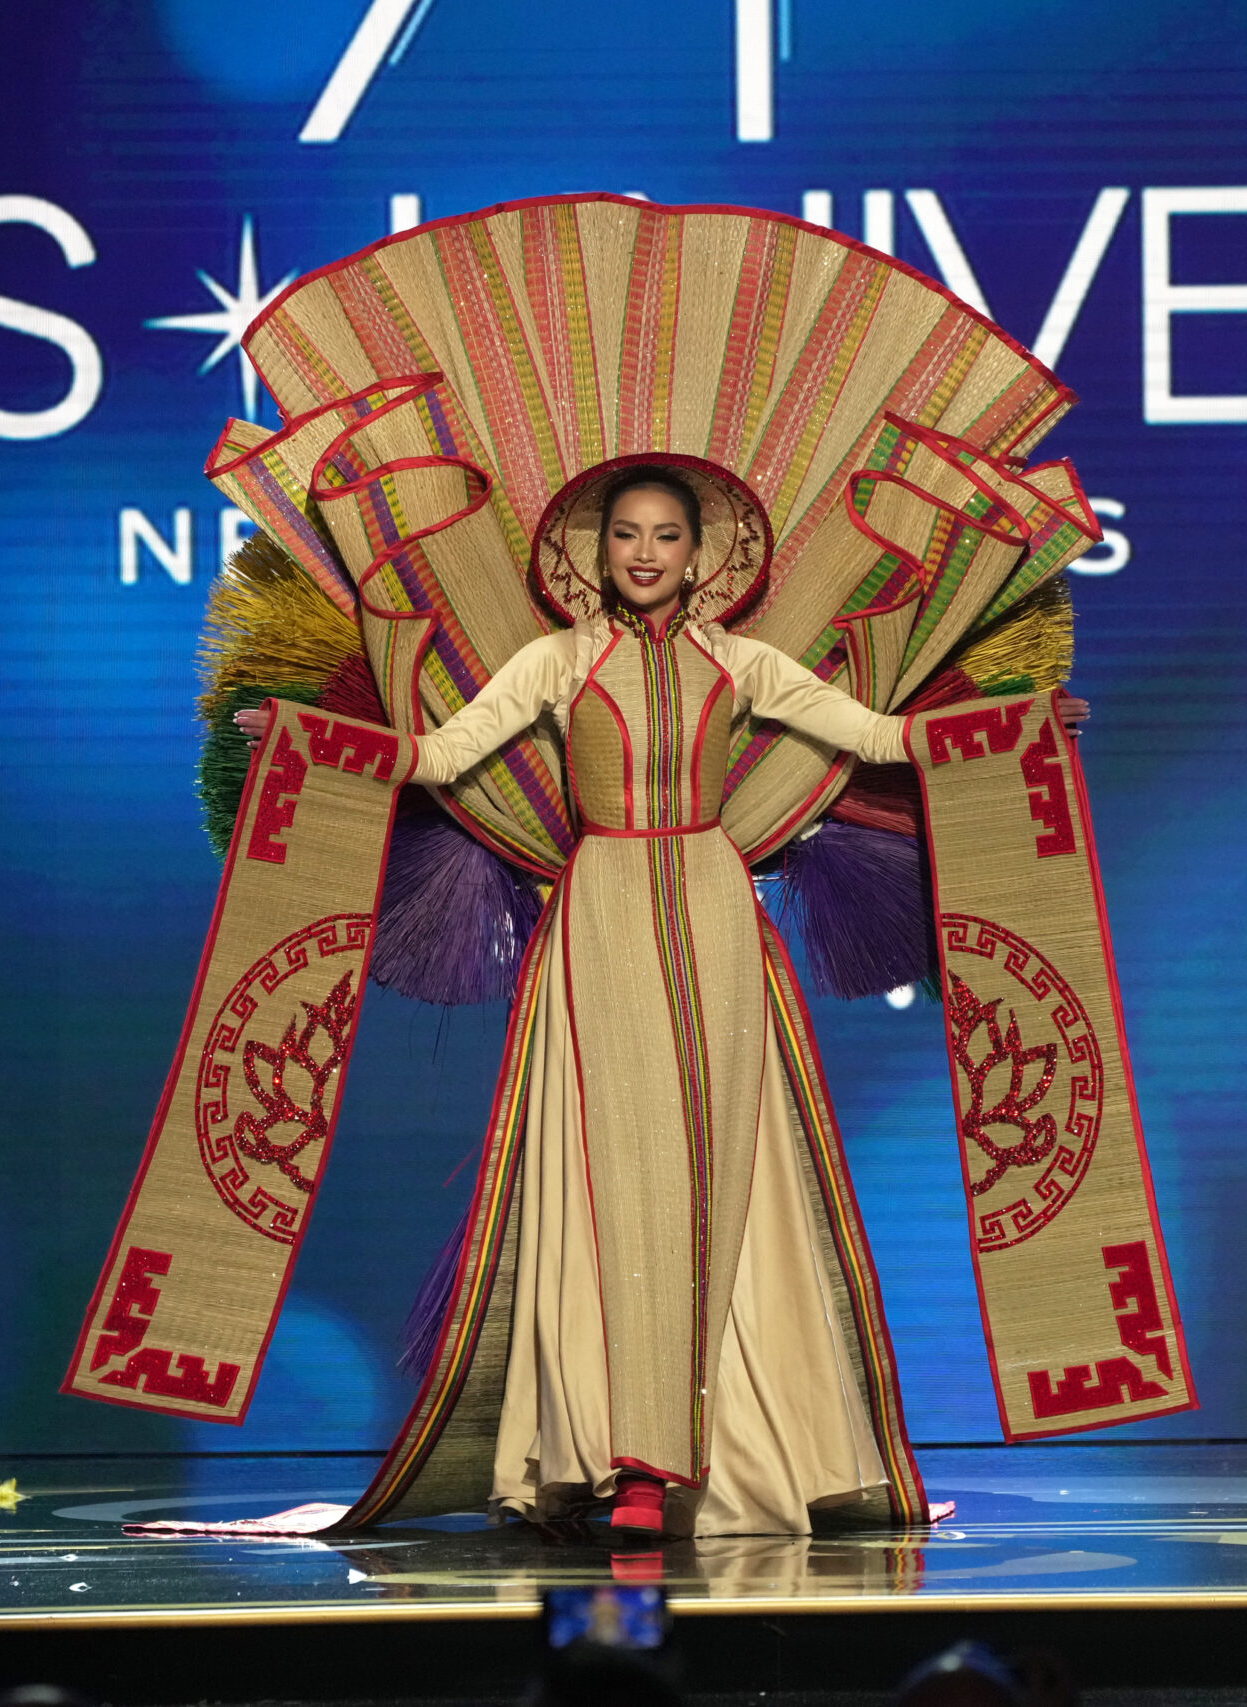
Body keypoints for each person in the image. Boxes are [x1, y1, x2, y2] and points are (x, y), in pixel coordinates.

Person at [238, 465, 1086, 1542]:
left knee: (722, 1171)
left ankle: (708, 1449)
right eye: (626, 534)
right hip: (597, 914)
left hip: (716, 910)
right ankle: (619, 1456)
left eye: (666, 536)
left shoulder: (739, 663)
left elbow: (877, 737)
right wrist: (311, 741)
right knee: (611, 1183)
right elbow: (442, 756)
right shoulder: (554, 660)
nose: (645, 553)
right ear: (595, 553)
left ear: (702, 555)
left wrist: (1024, 724)